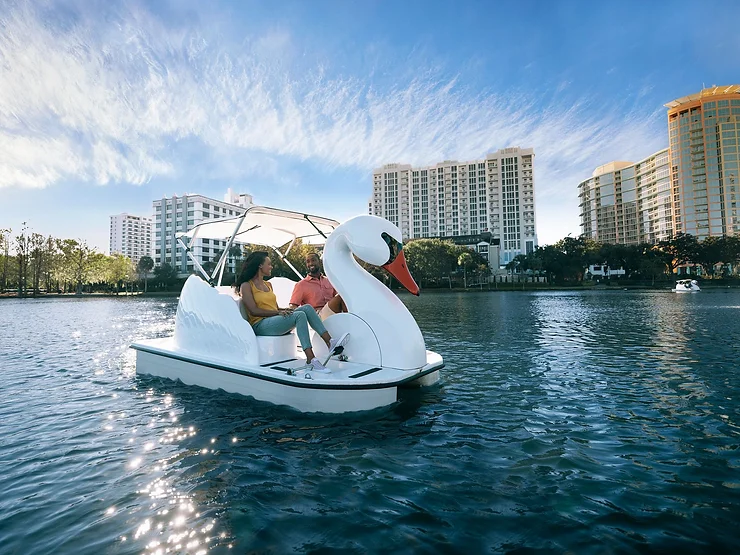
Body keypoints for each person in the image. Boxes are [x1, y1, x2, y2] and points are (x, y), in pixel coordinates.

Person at [235, 252, 348, 373]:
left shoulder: (268, 285)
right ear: (260, 266)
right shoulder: (246, 285)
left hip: (273, 321)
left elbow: (274, 307)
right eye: (269, 264)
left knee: (307, 308)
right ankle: (311, 359)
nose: (271, 267)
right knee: (299, 315)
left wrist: (284, 310)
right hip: (260, 325)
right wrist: (278, 313)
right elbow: (254, 310)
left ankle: (330, 342)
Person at [289, 252, 346, 320]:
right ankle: (351, 322)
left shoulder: (329, 280)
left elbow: (336, 299)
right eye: (308, 262)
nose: (310, 263)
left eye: (313, 260)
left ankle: (350, 319)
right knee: (341, 296)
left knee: (343, 295)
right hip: (316, 317)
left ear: (319, 261)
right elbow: (293, 305)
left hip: (332, 312)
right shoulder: (301, 285)